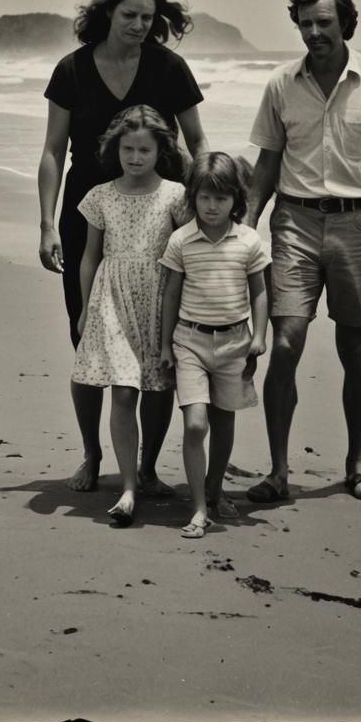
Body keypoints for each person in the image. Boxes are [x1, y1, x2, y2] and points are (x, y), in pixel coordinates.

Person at [38, 0, 210, 494]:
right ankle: (91, 456)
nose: (139, 25)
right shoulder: (71, 70)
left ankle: (150, 467)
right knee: (85, 339)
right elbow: (51, 151)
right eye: (130, 15)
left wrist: (207, 220)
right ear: (107, 12)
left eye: (148, 18)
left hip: (162, 222)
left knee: (160, 349)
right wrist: (47, 224)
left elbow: (199, 145)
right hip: (89, 217)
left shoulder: (169, 68)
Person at [243, 0, 361, 504]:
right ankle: (277, 471)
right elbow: (268, 161)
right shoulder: (280, 84)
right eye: (305, 22)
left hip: (357, 227)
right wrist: (243, 229)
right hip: (293, 222)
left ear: (345, 23)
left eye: (323, 22)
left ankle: (356, 465)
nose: (313, 32)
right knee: (286, 343)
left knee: (354, 348)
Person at [72, 105, 190, 526]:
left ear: (161, 151)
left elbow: (189, 252)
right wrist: (86, 308)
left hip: (159, 298)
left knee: (157, 388)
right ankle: (126, 487)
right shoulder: (100, 196)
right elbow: (89, 257)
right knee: (123, 389)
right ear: (114, 148)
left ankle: (149, 469)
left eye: (144, 149)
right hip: (112, 298)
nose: (135, 157)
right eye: (127, 149)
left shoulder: (176, 195)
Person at [158, 153, 270, 539]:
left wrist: (259, 336)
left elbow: (259, 291)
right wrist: (165, 346)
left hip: (235, 342)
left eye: (220, 199)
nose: (211, 206)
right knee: (196, 423)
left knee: (224, 422)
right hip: (189, 341)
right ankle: (199, 507)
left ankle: (215, 487)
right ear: (193, 197)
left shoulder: (250, 240)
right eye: (205, 197)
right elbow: (171, 294)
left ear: (235, 201)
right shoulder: (181, 239)